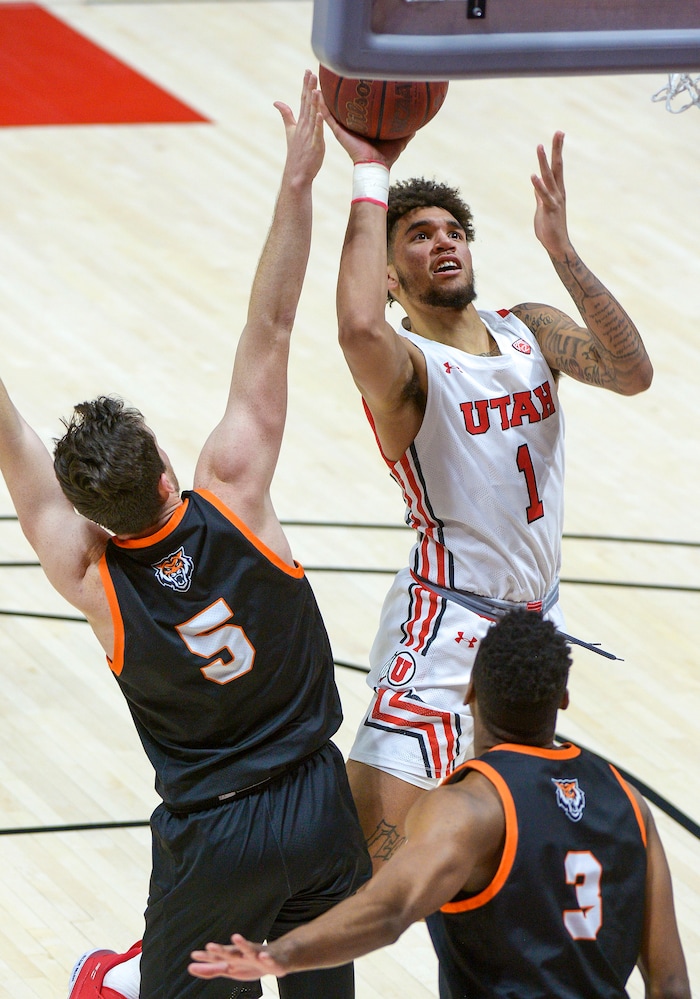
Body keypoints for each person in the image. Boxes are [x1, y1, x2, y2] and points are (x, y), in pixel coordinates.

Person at [0, 71, 370, 999]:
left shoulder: (89, 573)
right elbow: (273, 324)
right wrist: (298, 179)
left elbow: (15, 456)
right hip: (321, 803)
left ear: (92, 511)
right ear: (169, 470)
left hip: (217, 835)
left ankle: (118, 979)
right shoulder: (235, 491)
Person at [318, 110, 654, 868]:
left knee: (500, 851)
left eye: (451, 229)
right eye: (418, 235)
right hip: (448, 627)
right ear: (393, 279)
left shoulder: (529, 329)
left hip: (535, 628)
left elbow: (632, 372)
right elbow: (356, 330)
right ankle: (158, 971)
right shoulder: (406, 368)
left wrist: (562, 250)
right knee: (359, 865)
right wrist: (370, 177)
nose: (442, 240)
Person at [188, 609, 691, 999]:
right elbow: (669, 985)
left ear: (470, 689)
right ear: (562, 698)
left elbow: (389, 912)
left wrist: (279, 955)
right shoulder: (630, 802)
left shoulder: (470, 806)